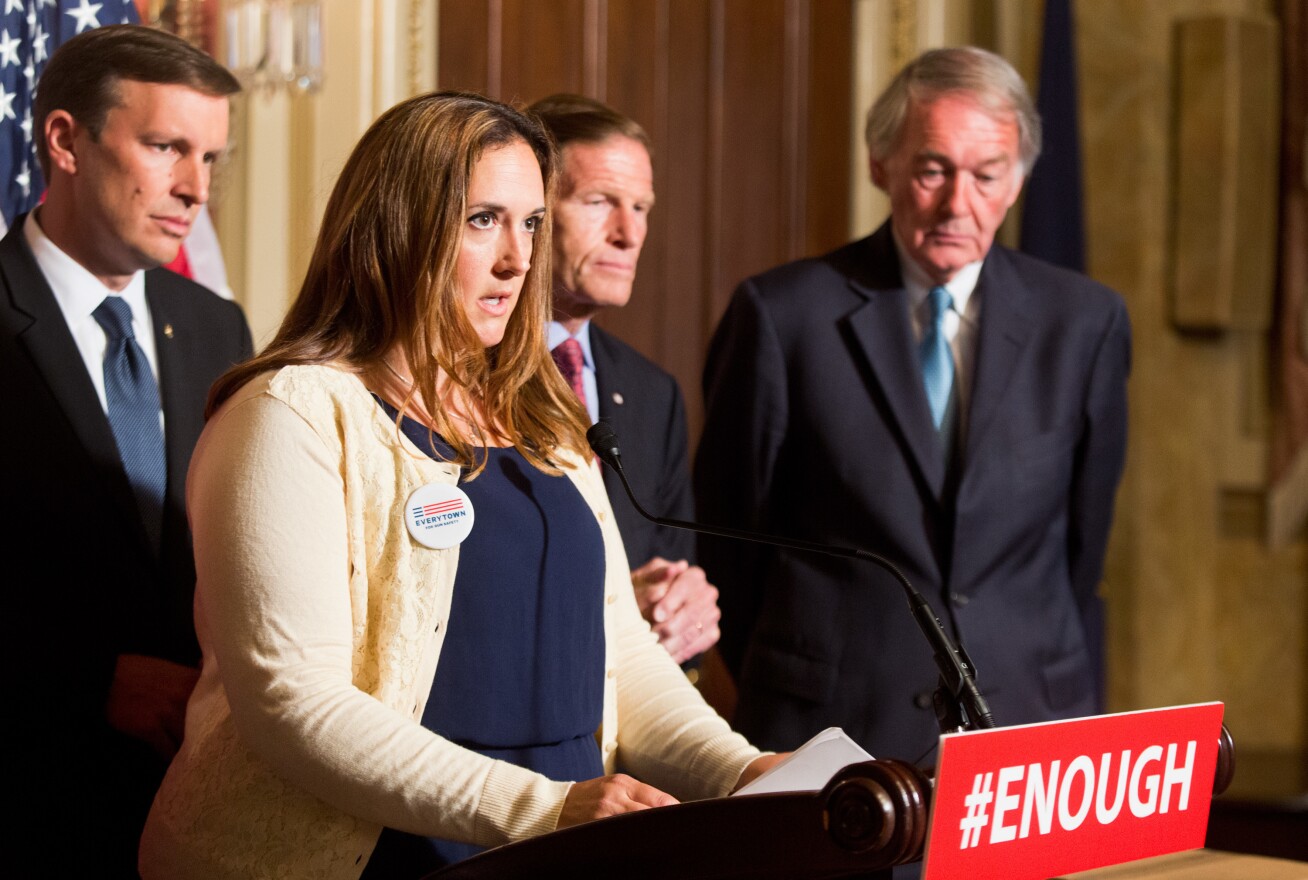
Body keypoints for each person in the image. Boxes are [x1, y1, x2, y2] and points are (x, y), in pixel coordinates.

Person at [139, 91, 780, 879]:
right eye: (484, 220)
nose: (518, 259)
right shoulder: (292, 413)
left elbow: (622, 655)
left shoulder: (543, 416)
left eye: (533, 223)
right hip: (381, 858)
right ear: (397, 225)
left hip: (561, 848)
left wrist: (745, 773)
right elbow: (292, 703)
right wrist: (543, 808)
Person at [695, 46, 1130, 764]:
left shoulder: (1085, 323)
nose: (959, 204)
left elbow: (1084, 543)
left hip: (1024, 723)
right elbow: (727, 538)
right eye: (933, 170)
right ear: (880, 165)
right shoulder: (781, 315)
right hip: (830, 728)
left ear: (1017, 182)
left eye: (987, 175)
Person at [0, 24, 251, 877]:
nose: (194, 188)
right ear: (66, 140)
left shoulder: (219, 326)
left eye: (211, 158)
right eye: (166, 147)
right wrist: (86, 681)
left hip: (196, 807)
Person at [528, 93, 720, 666]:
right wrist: (610, 611)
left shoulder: (652, 393)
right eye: (600, 202)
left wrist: (685, 609)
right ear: (532, 210)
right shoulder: (458, 371)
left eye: (641, 208)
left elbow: (668, 566)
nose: (629, 233)